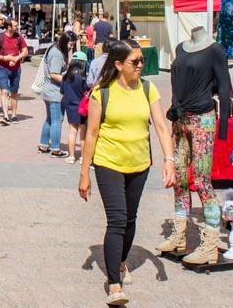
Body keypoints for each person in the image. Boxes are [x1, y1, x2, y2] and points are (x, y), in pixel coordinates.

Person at [78, 41, 175, 306]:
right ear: (118, 65)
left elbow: (161, 127)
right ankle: (114, 284)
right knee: (118, 220)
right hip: (109, 163)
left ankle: (120, 262)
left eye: (142, 60)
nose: (141, 66)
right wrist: (84, 173)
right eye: (135, 62)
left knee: (130, 219)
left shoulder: (148, 89)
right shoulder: (102, 92)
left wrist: (169, 159)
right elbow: (92, 135)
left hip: (140, 164)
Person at [157, 27, 233, 265]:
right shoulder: (181, 48)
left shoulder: (215, 50)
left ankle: (210, 243)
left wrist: (223, 129)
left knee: (201, 180)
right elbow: (175, 82)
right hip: (181, 119)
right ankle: (179, 234)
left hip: (203, 119)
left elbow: (224, 88)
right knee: (179, 177)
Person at [39, 31, 77, 157]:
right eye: (71, 44)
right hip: (54, 92)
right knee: (57, 120)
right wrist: (69, 82)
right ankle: (55, 148)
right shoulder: (57, 54)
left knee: (50, 119)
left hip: (49, 91)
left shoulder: (55, 49)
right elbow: (54, 74)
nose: (71, 47)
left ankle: (44, 144)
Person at [0, 18, 28, 125]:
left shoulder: (19, 37)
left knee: (14, 93)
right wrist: (5, 58)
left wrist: (17, 58)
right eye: (16, 26)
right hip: (3, 68)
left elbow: (25, 51)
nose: (18, 27)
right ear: (9, 27)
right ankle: (6, 116)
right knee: (3, 91)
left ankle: (14, 115)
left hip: (16, 69)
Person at [63, 51, 90, 164]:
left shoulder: (66, 77)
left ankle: (71, 156)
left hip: (70, 106)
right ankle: (83, 157)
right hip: (82, 108)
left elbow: (62, 91)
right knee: (83, 133)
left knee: (72, 131)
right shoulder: (84, 78)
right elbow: (87, 92)